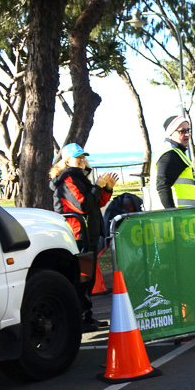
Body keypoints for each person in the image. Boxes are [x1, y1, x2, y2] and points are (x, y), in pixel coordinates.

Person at [49, 142, 118, 332]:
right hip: (78, 236)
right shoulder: (67, 180)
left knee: (87, 280)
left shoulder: (80, 178)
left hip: (89, 235)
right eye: (77, 158)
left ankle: (87, 317)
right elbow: (83, 205)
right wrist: (97, 186)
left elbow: (95, 203)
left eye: (83, 157)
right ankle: (79, 319)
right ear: (66, 161)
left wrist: (107, 190)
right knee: (80, 279)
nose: (81, 160)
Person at [147, 115, 195, 210]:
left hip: (185, 214)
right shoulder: (170, 154)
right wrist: (172, 213)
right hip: (175, 218)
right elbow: (162, 186)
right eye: (182, 131)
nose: (187, 134)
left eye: (188, 130)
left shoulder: (177, 152)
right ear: (171, 133)